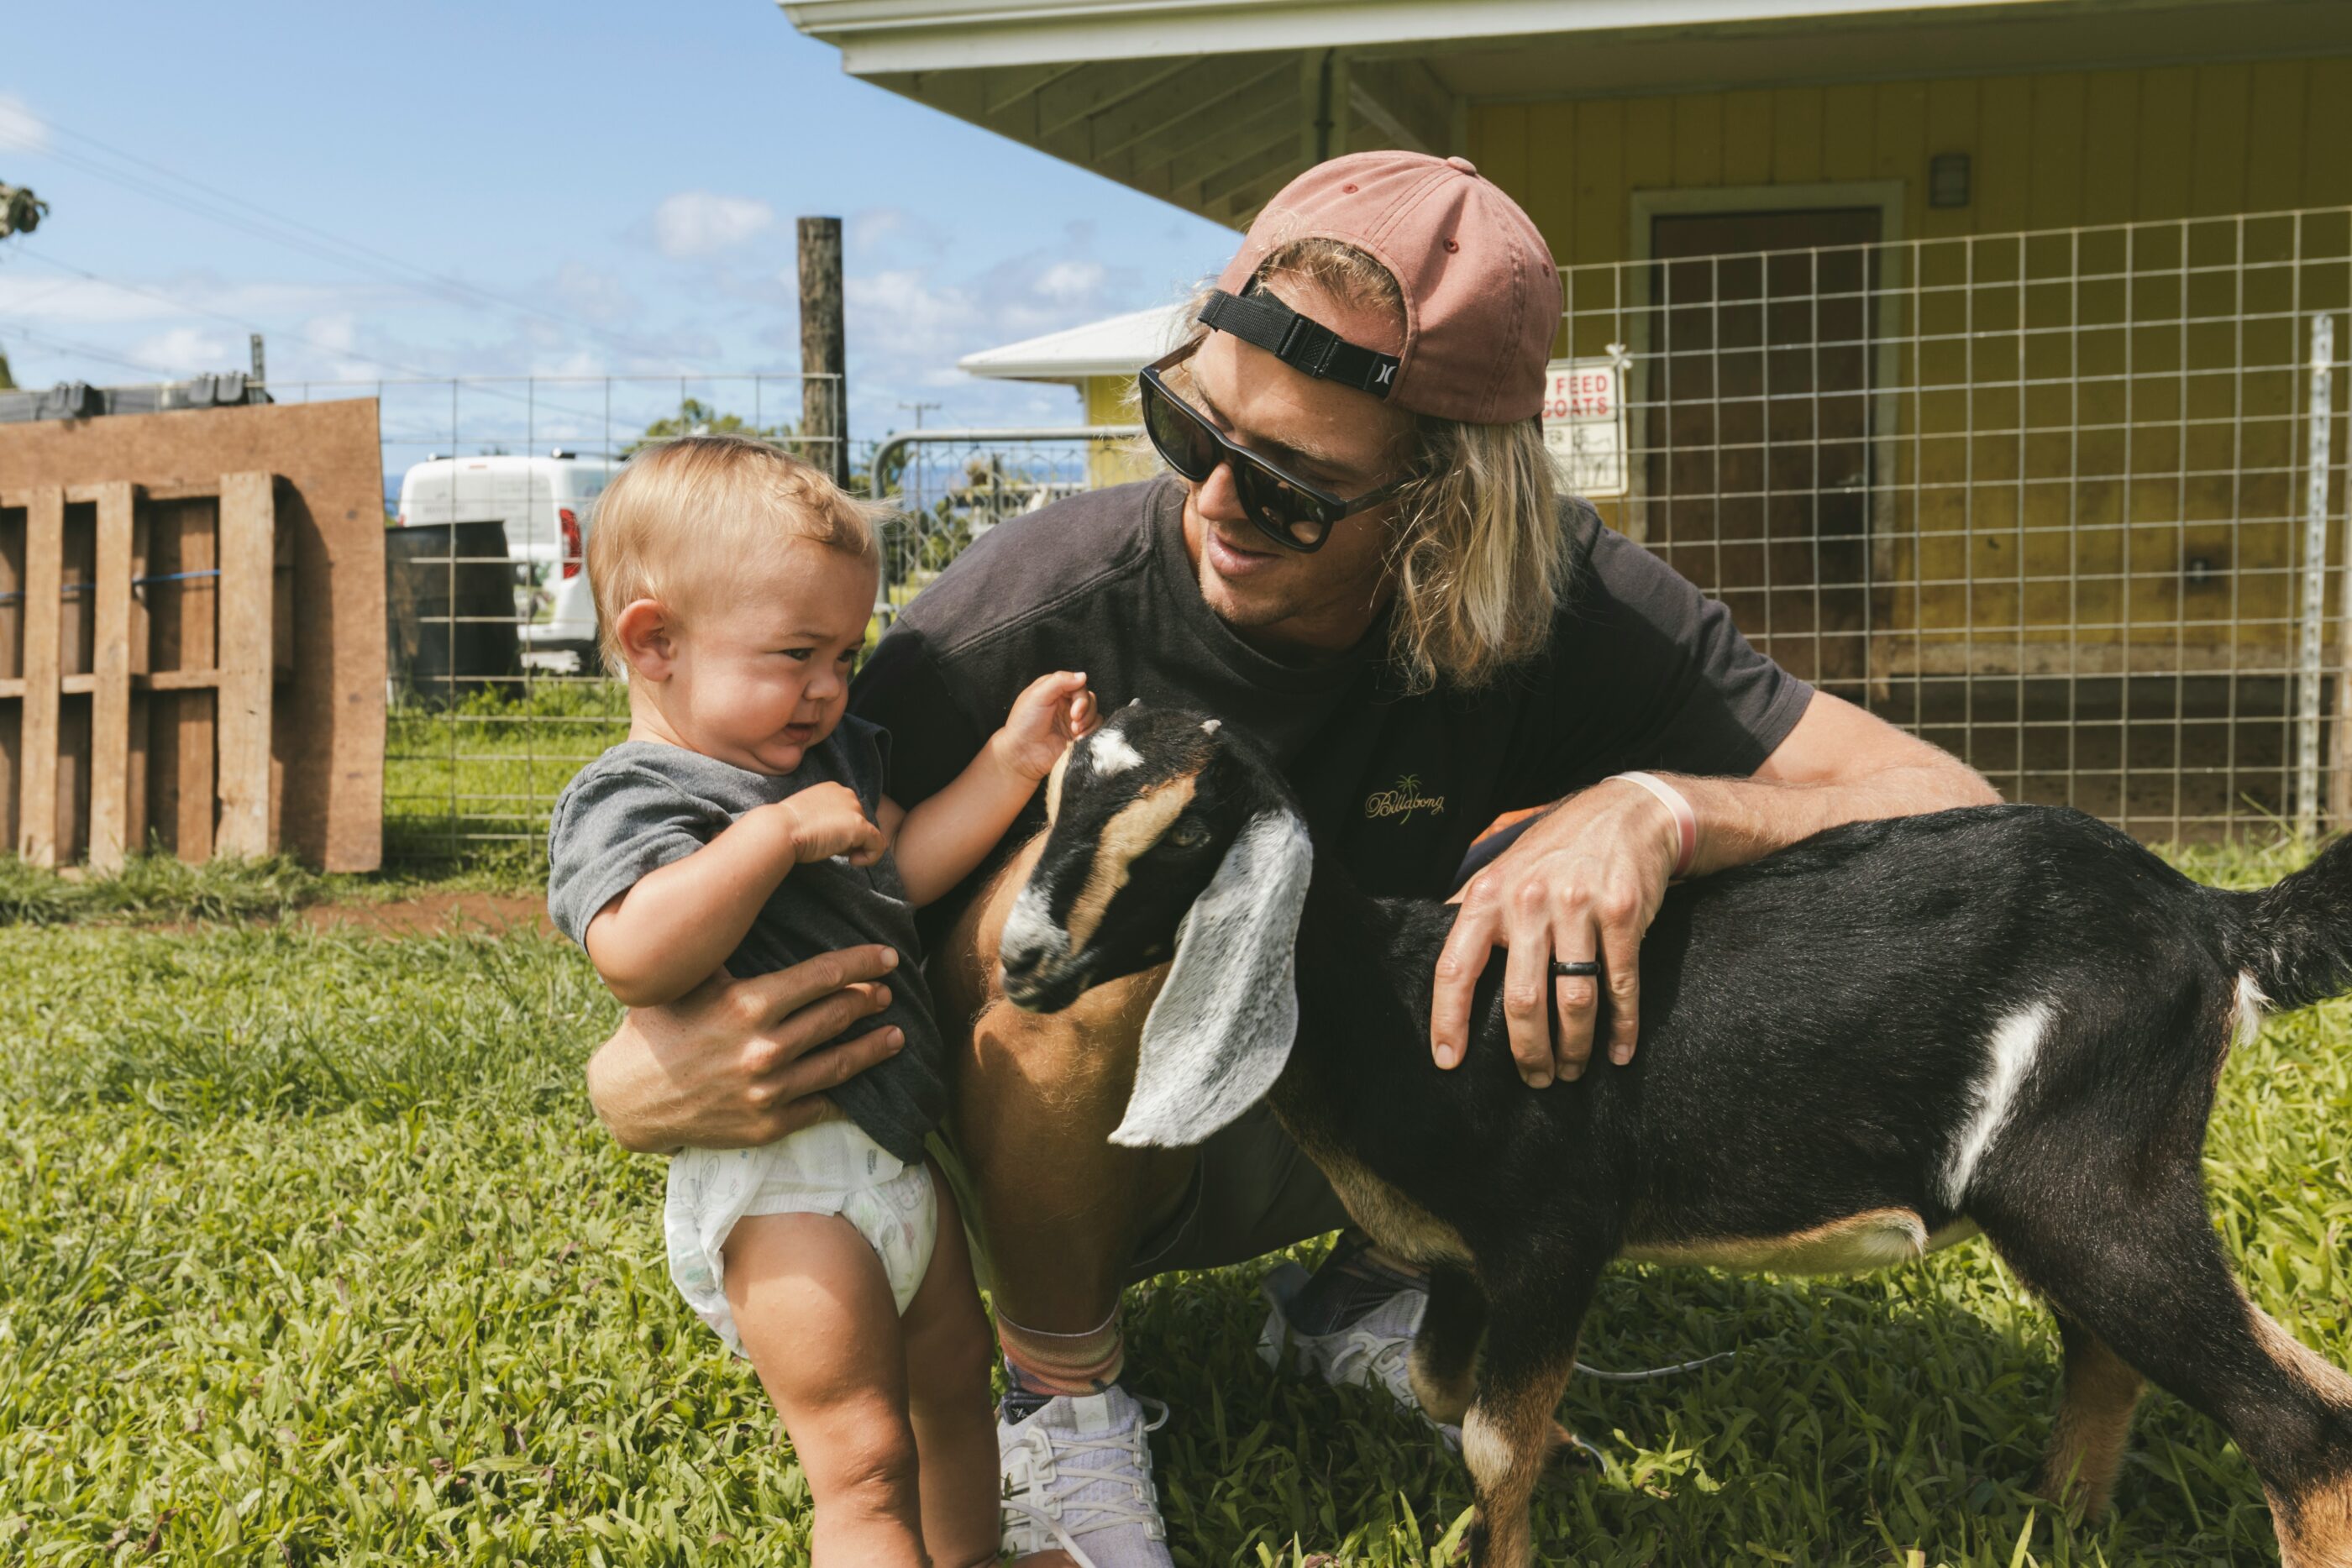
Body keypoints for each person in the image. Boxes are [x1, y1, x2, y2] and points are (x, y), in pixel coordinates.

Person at [584, 152, 1999, 1565]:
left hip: (1352, 1106)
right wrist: (637, 1068)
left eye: (1293, 489)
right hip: (1066, 1138)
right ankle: (1059, 1406)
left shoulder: (1572, 606)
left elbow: (1949, 813)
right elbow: (694, 853)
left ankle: (1371, 1289)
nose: (1213, 504)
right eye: (1193, 434)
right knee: (1069, 899)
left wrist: (1662, 809)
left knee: (1594, 881)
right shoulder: (1019, 618)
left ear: (1452, 506)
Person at [545, 435, 1097, 1567]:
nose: (830, 687)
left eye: (845, 653)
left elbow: (902, 865)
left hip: (896, 1159)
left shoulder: (826, 760)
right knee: (862, 1455)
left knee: (955, 1394)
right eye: (796, 653)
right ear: (655, 641)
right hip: (782, 1184)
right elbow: (634, 953)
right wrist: (770, 836)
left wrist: (1010, 762)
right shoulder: (637, 795)